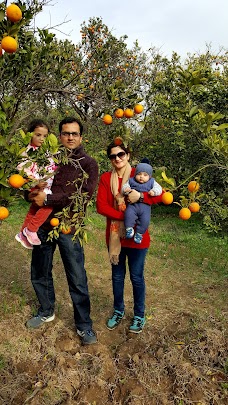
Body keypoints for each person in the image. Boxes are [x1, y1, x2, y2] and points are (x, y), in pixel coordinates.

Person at [26, 116, 99, 345]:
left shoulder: (88, 164)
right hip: (44, 225)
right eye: (66, 133)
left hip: (69, 226)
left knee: (77, 276)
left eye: (74, 134)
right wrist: (29, 193)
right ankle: (46, 310)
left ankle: (84, 325)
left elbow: (80, 197)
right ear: (60, 136)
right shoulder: (49, 158)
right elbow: (34, 181)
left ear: (81, 137)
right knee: (40, 270)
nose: (70, 137)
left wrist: (46, 199)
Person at [96, 138, 163, 334]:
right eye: (113, 155)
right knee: (117, 277)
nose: (117, 158)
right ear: (110, 159)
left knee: (136, 277)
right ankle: (118, 311)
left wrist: (141, 197)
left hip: (137, 238)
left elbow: (160, 195)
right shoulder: (105, 178)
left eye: (121, 154)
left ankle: (139, 315)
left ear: (128, 155)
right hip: (116, 236)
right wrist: (125, 217)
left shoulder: (139, 174)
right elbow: (101, 206)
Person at [15, 119, 57, 249]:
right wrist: (35, 182)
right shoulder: (26, 152)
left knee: (35, 209)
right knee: (48, 204)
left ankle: (23, 233)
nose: (42, 139)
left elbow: (51, 166)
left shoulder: (46, 152)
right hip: (34, 185)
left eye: (45, 136)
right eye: (38, 135)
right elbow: (22, 170)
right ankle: (31, 229)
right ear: (30, 134)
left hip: (45, 185)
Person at [122, 161, 162, 244]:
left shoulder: (152, 182)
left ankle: (139, 234)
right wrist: (126, 190)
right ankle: (129, 229)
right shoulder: (131, 181)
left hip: (145, 208)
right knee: (128, 214)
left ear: (149, 176)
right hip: (132, 206)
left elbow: (160, 189)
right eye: (139, 174)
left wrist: (154, 192)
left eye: (145, 175)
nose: (141, 177)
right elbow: (124, 187)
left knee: (145, 220)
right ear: (135, 174)